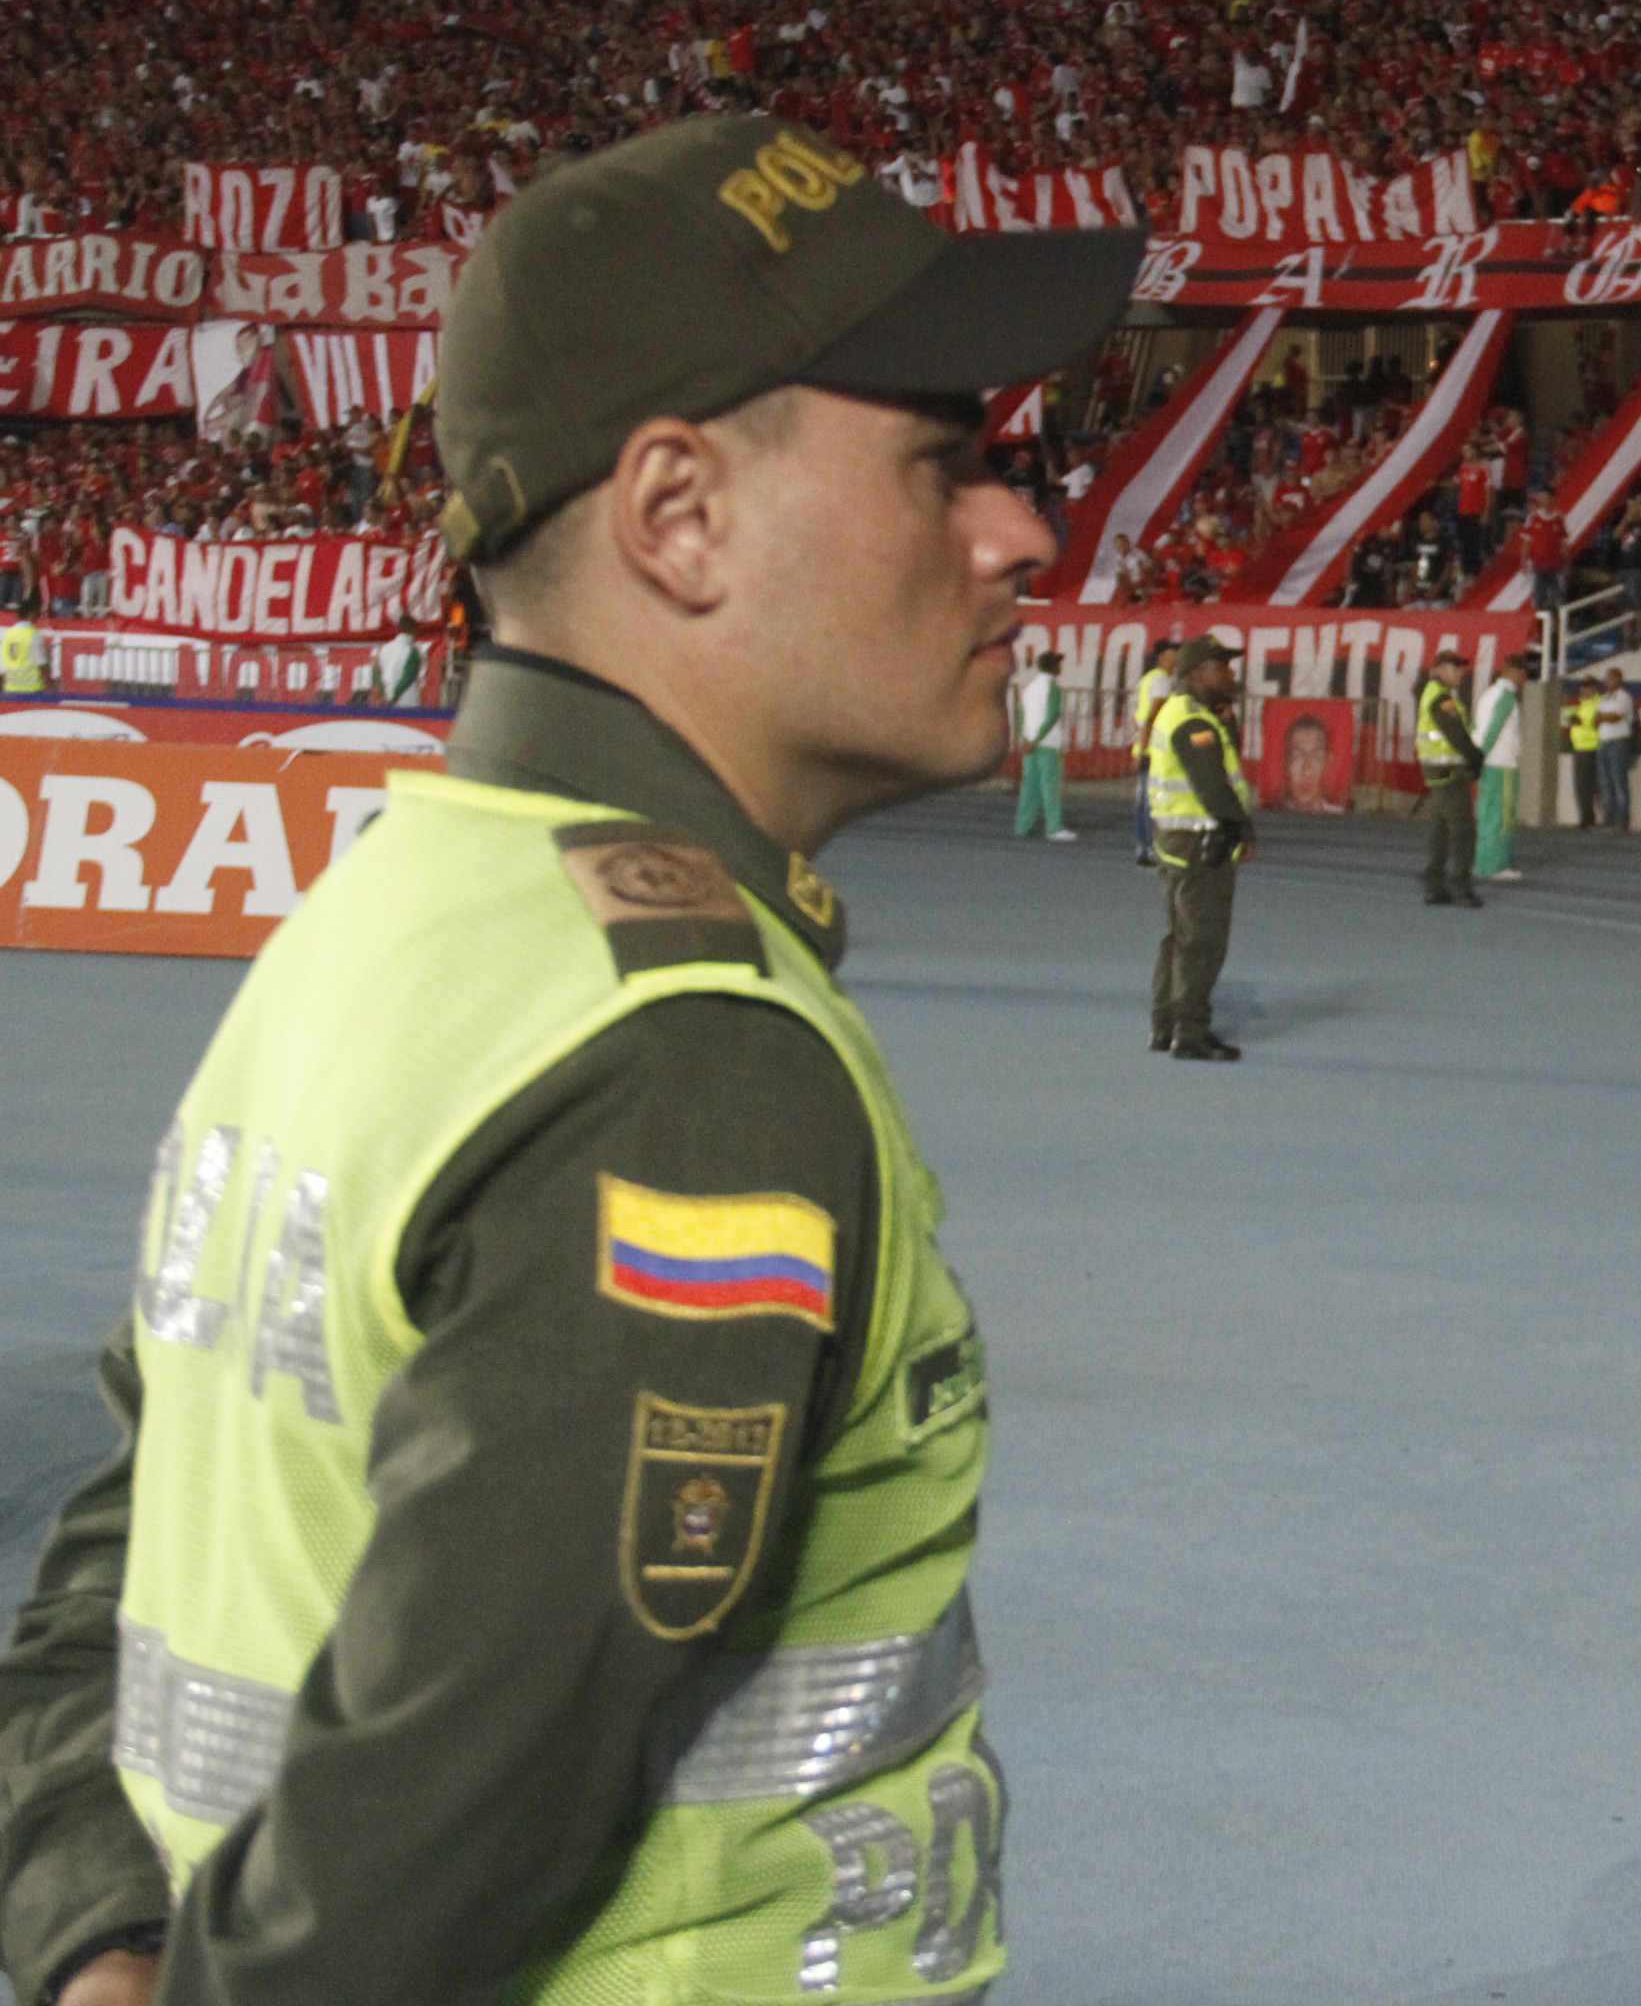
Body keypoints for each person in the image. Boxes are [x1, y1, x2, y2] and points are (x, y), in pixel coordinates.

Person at [0, 113, 1133, 2006]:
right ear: (677, 514)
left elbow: (124, 1545)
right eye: (942, 460)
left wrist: (94, 1930)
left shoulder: (393, 916)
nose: (1019, 533)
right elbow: (421, 1862)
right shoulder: (683, 1057)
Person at [1148, 636, 1254, 1057]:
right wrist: (1243, 830)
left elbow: (1224, 764)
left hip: (1178, 839)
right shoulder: (1194, 723)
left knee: (1179, 937)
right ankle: (1190, 1032)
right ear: (1197, 674)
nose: (1230, 673)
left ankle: (1165, 1026)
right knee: (1203, 941)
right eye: (1221, 667)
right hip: (1198, 842)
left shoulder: (1186, 713)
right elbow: (1213, 786)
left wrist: (1228, 722)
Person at [1417, 645, 1484, 907]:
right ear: (1442, 669)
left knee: (1441, 828)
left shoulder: (1435, 694)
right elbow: (1455, 733)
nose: (1461, 673)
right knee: (1464, 830)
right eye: (1456, 668)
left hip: (1438, 770)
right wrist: (1475, 758)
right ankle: (1461, 887)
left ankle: (1434, 886)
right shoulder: (1440, 698)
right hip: (1448, 772)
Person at [1473, 651, 1529, 881]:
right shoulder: (1506, 698)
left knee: (1486, 814)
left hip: (1488, 764)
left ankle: (1483, 862)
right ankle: (1497, 865)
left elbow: (1477, 727)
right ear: (1517, 672)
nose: (1525, 680)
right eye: (1524, 675)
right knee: (1502, 816)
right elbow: (1493, 730)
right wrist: (1481, 756)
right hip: (1502, 763)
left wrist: (1476, 758)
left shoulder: (1488, 695)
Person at [1010, 647, 1074, 840]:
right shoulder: (1052, 687)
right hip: (1047, 743)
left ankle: (1022, 826)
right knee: (1050, 786)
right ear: (1054, 667)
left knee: (1029, 787)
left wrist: (1024, 738)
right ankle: (1054, 827)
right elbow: (1053, 714)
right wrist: (1037, 738)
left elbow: (1020, 714)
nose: (1061, 668)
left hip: (1029, 743)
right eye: (1059, 664)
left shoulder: (1030, 687)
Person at [1129, 634, 1180, 865]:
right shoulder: (1161, 681)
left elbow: (1137, 715)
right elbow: (1154, 715)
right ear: (1163, 656)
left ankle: (1143, 847)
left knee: (1143, 801)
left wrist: (1140, 745)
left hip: (1145, 747)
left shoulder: (1147, 679)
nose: (1178, 657)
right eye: (1174, 653)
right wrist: (1146, 746)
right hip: (1155, 751)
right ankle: (1151, 848)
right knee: (1154, 802)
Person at [1595, 667, 1638, 829]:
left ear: (1619, 680)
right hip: (1604, 742)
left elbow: (1615, 717)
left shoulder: (1624, 697)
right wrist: (1604, 717)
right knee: (1606, 783)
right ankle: (1608, 818)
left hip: (1618, 743)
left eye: (1610, 678)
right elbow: (1597, 718)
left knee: (1619, 782)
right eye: (1606, 679)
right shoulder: (1604, 698)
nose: (1607, 681)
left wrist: (1604, 716)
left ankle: (1623, 819)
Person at [1564, 674, 1603, 827]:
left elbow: (1595, 722)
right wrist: (1569, 713)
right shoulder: (1580, 704)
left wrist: (1581, 721)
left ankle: (1601, 817)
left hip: (1593, 747)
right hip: (1579, 747)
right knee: (1581, 786)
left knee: (1595, 786)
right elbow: (1570, 720)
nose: (1583, 691)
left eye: (1586, 688)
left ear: (1594, 688)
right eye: (1582, 688)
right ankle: (1585, 817)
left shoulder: (1599, 703)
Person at [2, 599, 51, 695]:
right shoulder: (34, 634)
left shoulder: (7, 634)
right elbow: (41, 662)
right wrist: (49, 684)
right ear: (31, 613)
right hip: (32, 688)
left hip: (11, 687)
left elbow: (3, 664)